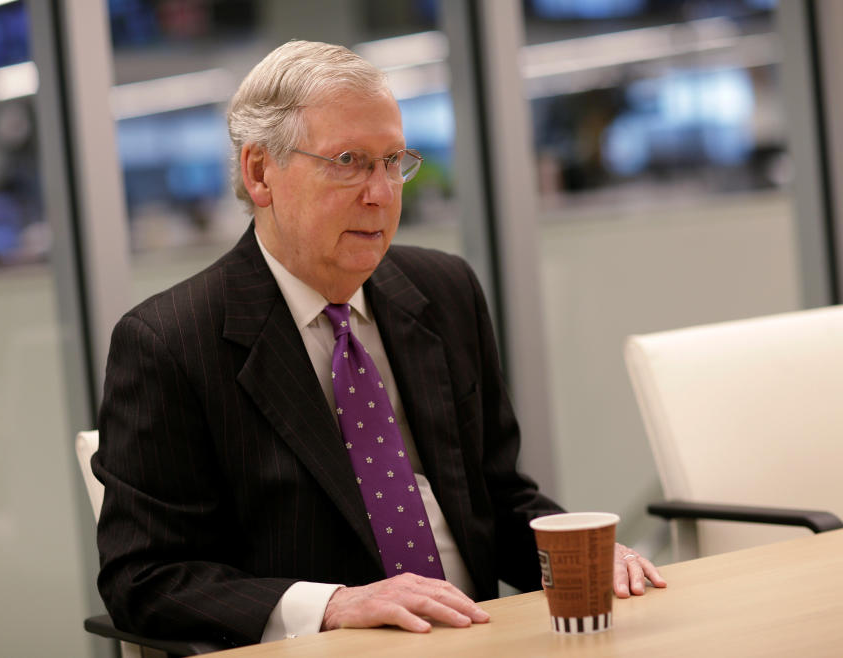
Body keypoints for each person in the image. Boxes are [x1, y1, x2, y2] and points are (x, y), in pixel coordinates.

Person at [94, 40, 665, 648]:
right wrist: (335, 605)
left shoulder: (443, 291)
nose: (382, 193)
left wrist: (574, 553)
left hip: (486, 634)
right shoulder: (170, 342)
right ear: (260, 173)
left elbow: (497, 495)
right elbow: (145, 578)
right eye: (348, 161)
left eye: (392, 161)